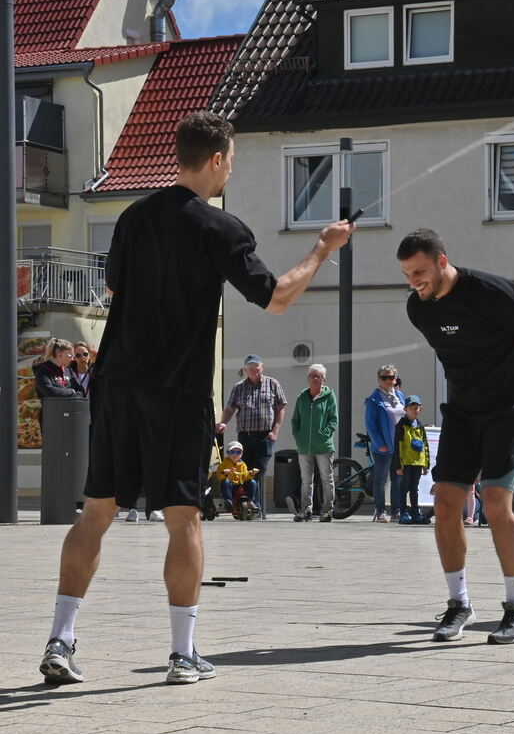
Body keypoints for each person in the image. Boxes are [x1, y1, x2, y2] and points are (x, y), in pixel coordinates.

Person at [39, 110, 353, 686]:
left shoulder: (133, 217)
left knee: (98, 510)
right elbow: (277, 298)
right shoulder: (221, 228)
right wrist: (321, 248)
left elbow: (114, 287)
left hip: (116, 379)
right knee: (183, 519)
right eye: (230, 158)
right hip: (178, 390)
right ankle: (183, 655)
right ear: (215, 160)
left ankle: (60, 640)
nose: (231, 167)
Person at [399, 228, 514, 644]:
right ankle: (458, 603)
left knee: (497, 505)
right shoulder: (419, 309)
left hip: (509, 411)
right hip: (463, 413)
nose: (415, 283)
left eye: (421, 272)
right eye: (408, 275)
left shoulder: (489, 291)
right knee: (446, 504)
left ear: (442, 261)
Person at [217, 355, 286, 513]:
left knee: (258, 469)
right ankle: (246, 505)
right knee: (243, 470)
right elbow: (230, 408)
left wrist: (275, 431)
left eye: (256, 367)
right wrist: (223, 423)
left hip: (265, 436)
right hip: (245, 436)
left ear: (262, 367)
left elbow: (281, 408)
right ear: (245, 369)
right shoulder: (239, 387)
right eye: (250, 367)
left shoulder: (272, 384)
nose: (254, 370)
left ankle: (254, 505)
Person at [290, 363, 338, 522]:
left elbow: (333, 420)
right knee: (306, 481)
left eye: (318, 376)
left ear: (323, 380)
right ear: (308, 378)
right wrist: (299, 436)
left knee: (327, 479)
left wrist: (323, 434)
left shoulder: (329, 396)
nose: (315, 379)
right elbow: (295, 420)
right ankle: (305, 510)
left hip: (324, 446)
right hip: (304, 447)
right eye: (312, 376)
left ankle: (327, 511)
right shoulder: (301, 397)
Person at [364, 365, 406, 523]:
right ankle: (381, 510)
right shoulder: (374, 399)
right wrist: (380, 443)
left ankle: (396, 511)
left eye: (391, 377)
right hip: (383, 447)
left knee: (397, 480)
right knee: (380, 479)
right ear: (379, 380)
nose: (388, 380)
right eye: (384, 378)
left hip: (399, 446)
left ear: (396, 379)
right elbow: (371, 425)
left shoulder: (400, 395)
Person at [392, 395, 431, 524]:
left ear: (420, 409)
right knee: (404, 488)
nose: (414, 410)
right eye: (411, 408)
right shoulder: (401, 425)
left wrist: (426, 464)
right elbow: (398, 446)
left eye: (417, 408)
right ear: (405, 409)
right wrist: (398, 465)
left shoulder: (420, 425)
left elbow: (425, 445)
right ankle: (403, 512)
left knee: (414, 488)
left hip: (418, 463)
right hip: (406, 463)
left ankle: (415, 512)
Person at [34, 338, 84, 406]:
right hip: (52, 413)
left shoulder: (69, 371)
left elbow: (81, 391)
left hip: (71, 412)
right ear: (59, 354)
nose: (73, 359)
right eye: (70, 356)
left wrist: (73, 396)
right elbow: (50, 391)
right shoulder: (42, 371)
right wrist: (71, 391)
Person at [218, 441, 260, 518]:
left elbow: (245, 476)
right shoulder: (224, 464)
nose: (235, 454)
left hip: (240, 485)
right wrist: (225, 473)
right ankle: (228, 500)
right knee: (225, 481)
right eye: (232, 452)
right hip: (230, 487)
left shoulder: (242, 464)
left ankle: (250, 501)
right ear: (228, 453)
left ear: (241, 455)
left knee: (253, 482)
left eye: (238, 452)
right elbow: (220, 476)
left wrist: (252, 473)